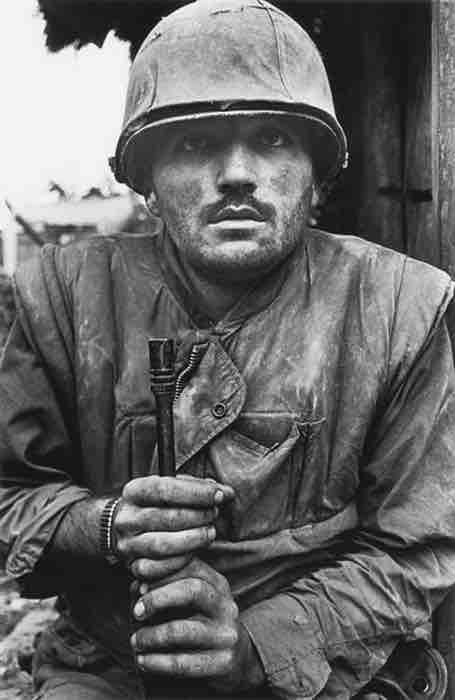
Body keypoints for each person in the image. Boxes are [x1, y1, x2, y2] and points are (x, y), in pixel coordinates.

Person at [1, 1, 455, 699]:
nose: (237, 173)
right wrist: (104, 525)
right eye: (193, 143)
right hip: (116, 662)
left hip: (332, 662)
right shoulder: (60, 298)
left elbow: (416, 548)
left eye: (272, 139)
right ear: (145, 179)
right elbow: (9, 495)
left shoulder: (401, 306)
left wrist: (261, 648)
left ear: (316, 174)